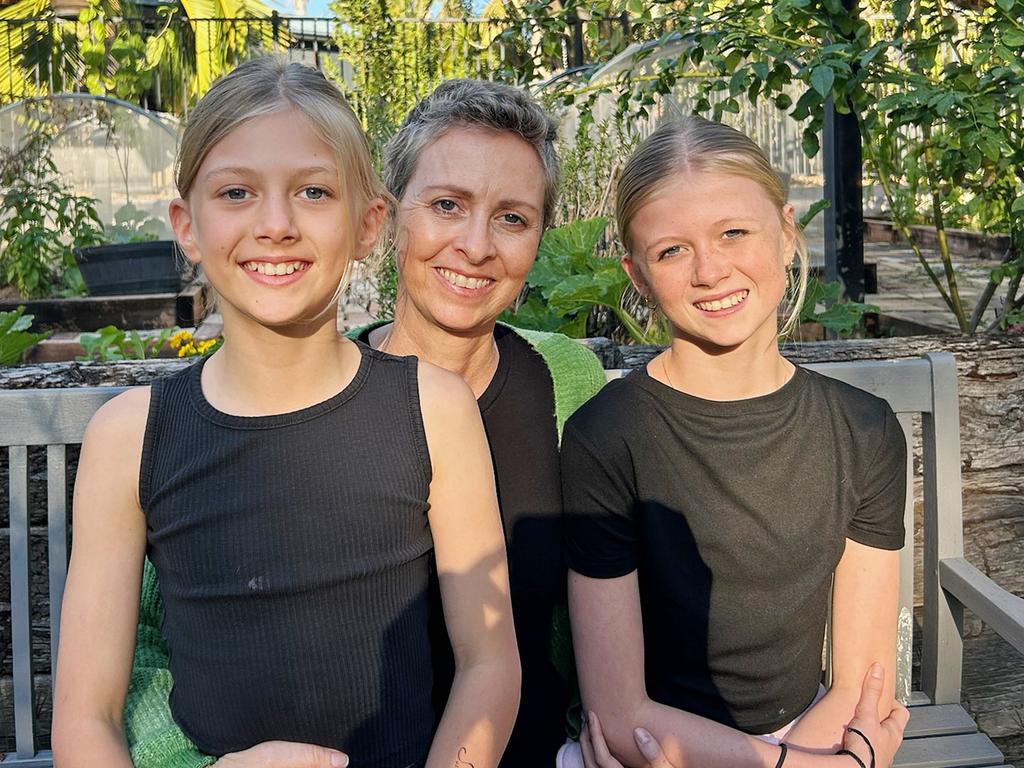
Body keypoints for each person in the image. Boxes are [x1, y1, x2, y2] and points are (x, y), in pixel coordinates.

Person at [119, 78, 612, 768]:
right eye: (447, 205)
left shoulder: (566, 383)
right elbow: (146, 639)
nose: (475, 245)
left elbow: (612, 581)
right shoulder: (300, 402)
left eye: (512, 218)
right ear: (390, 216)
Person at [51, 58, 520, 768]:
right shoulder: (132, 437)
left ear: (368, 226)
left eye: (313, 191)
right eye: (237, 192)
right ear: (188, 225)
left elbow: (490, 662)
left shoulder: (432, 409)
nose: (275, 225)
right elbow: (87, 718)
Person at [560, 117, 910, 768]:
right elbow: (619, 714)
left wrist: (823, 758)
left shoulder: (864, 432)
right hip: (661, 752)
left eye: (734, 233)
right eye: (672, 251)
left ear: (784, 232)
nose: (710, 270)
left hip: (815, 737)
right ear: (638, 277)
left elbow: (863, 682)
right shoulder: (607, 438)